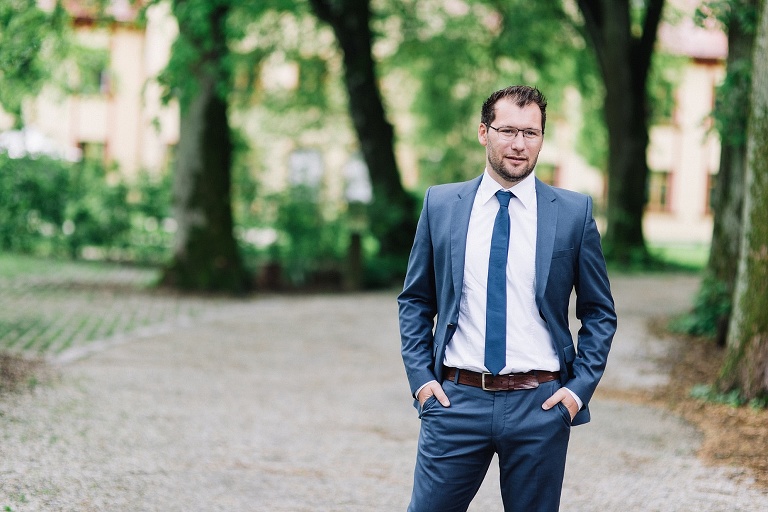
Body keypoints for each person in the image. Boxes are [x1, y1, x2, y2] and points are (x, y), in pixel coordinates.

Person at [398, 85, 617, 512]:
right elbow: (415, 301)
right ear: (484, 132)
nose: (519, 144)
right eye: (508, 130)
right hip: (456, 402)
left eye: (531, 133)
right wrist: (423, 382)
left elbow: (599, 312)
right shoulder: (441, 205)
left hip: (540, 406)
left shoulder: (573, 213)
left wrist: (576, 393)